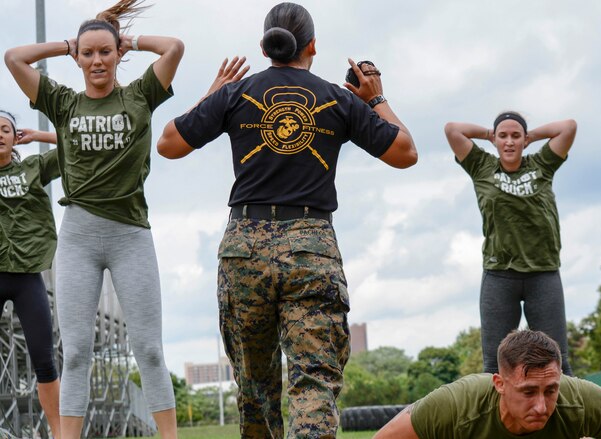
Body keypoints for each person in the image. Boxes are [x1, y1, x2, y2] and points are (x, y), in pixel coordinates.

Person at [156, 3, 417, 437]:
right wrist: (376, 98)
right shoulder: (339, 98)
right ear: (312, 45)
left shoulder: (235, 94)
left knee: (255, 389)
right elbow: (406, 153)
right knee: (313, 380)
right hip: (311, 248)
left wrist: (213, 92)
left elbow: (169, 144)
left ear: (265, 47)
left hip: (244, 249)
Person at [4, 1, 184, 437]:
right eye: (88, 54)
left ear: (118, 54)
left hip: (130, 236)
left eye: (105, 52)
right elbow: (13, 58)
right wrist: (66, 45)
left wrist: (130, 41)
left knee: (149, 350)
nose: (97, 60)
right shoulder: (63, 102)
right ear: (79, 58)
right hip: (78, 238)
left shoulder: (139, 94)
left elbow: (175, 48)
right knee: (79, 351)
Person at [444, 113, 577, 375]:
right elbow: (452, 129)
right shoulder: (482, 166)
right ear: (495, 139)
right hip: (500, 275)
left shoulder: (541, 164)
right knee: (494, 365)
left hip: (543, 273)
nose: (509, 142)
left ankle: (568, 415)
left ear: (524, 140)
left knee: (558, 361)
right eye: (503, 136)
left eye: (515, 136)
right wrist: (488, 135)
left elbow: (568, 127)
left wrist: (530, 138)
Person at [375, 330, 601, 439]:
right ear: (499, 383)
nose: (541, 405)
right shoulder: (458, 405)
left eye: (550, 390)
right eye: (528, 391)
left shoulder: (577, 401)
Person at [0, 112, 61, 439]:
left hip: (27, 275)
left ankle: (59, 432)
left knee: (44, 359)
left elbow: (76, 145)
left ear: (14, 136)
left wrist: (38, 136)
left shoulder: (31, 169)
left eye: (5, 129)